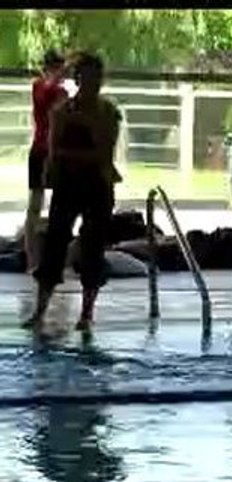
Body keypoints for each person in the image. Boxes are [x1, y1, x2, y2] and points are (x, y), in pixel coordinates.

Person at [24, 52, 122, 333]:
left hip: (97, 185)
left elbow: (104, 153)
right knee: (54, 246)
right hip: (69, 184)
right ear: (79, 79)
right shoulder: (62, 111)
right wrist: (59, 166)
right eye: (89, 77)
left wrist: (76, 150)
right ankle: (40, 312)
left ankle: (87, 314)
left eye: (98, 78)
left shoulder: (107, 112)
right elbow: (54, 152)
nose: (95, 83)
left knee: (93, 249)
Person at [24, 50, 69, 274]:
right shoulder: (46, 88)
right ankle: (35, 260)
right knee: (39, 206)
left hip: (49, 151)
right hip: (47, 152)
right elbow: (51, 95)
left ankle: (43, 259)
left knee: (50, 206)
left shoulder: (48, 88)